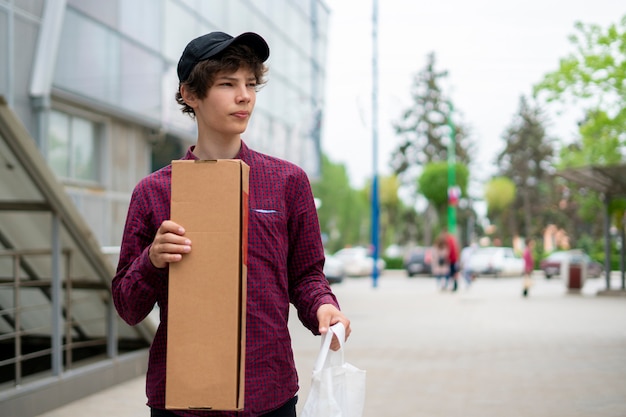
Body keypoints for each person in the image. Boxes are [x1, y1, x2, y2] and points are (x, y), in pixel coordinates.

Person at [111, 31, 351, 417]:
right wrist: (152, 260)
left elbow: (306, 276)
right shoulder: (154, 192)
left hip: (268, 394)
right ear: (190, 94)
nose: (245, 96)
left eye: (251, 84)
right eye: (228, 84)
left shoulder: (287, 182)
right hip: (182, 400)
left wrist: (324, 307)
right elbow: (127, 305)